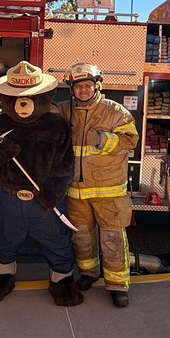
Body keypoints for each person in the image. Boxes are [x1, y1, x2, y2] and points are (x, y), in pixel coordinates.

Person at [57, 62, 140, 308]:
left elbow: (130, 140)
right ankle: (88, 273)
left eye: (87, 85)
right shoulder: (63, 110)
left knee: (112, 238)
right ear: (72, 89)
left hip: (109, 191)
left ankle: (117, 285)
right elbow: (37, 113)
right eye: (78, 86)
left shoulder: (115, 111)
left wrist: (101, 138)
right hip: (75, 190)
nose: (83, 90)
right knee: (81, 237)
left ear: (97, 85)